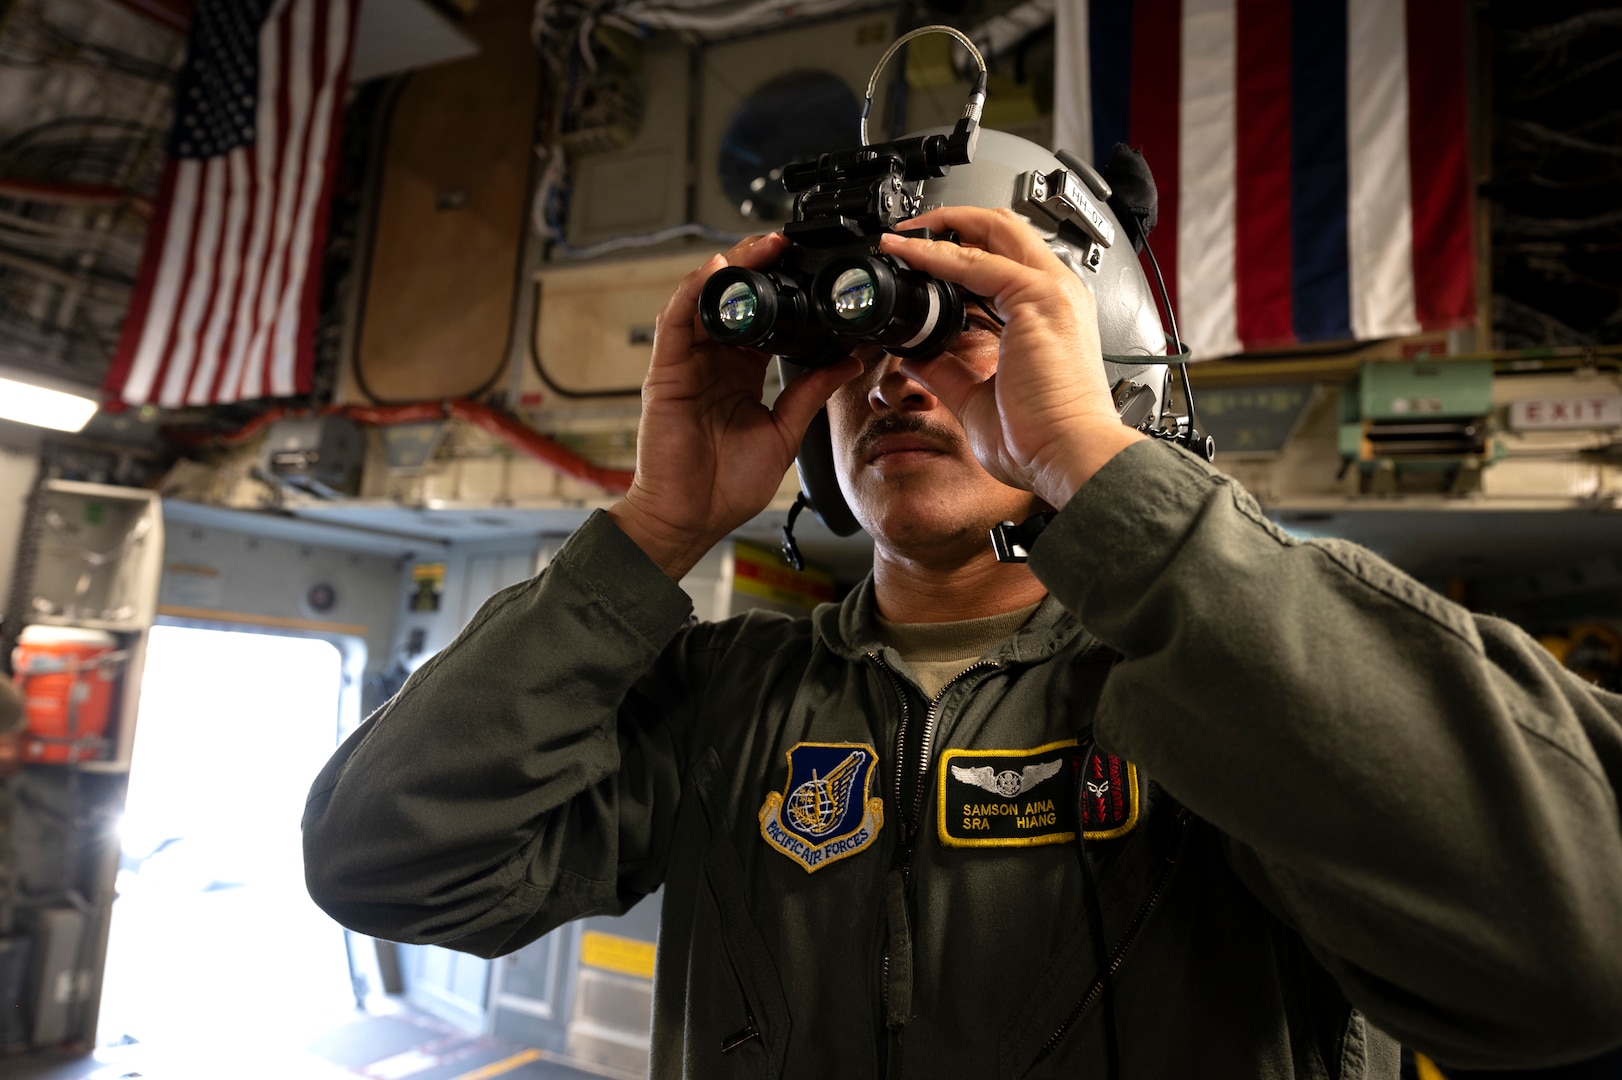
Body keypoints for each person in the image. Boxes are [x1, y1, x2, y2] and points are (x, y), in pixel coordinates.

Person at [302, 131, 1622, 1078]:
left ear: (1092, 368)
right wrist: (654, 531)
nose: (891, 385)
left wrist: (1100, 478)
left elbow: (1570, 963)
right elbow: (387, 862)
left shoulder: (1241, 671)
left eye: (951, 332)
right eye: (855, 353)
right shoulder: (726, 700)